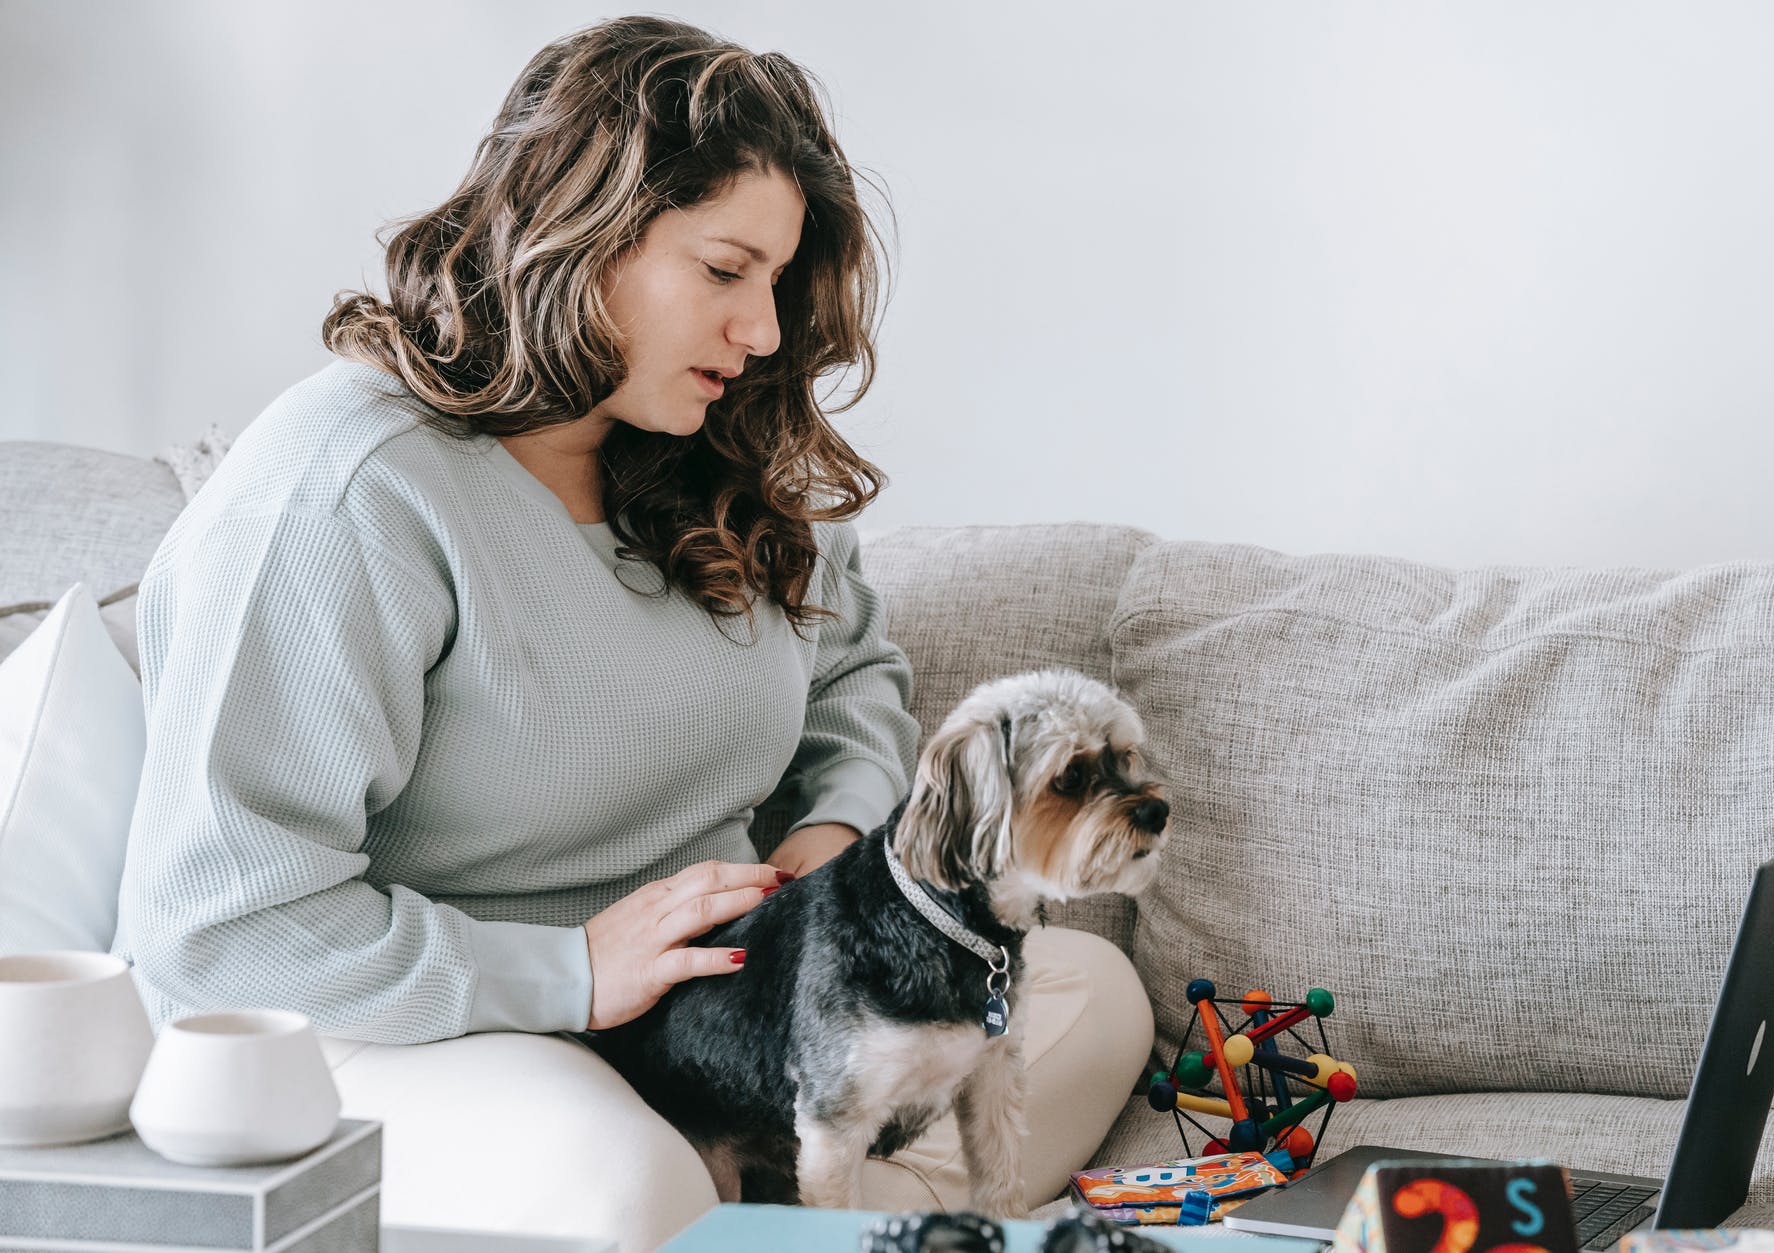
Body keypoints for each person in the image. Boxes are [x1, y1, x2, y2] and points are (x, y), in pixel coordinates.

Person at [111, 16, 1151, 1251]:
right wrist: (570, 974)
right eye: (723, 272)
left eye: (775, 283)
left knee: (1085, 995)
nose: (762, 332)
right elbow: (221, 927)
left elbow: (854, 675)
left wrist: (831, 846)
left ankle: (807, 1210)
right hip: (434, 1024)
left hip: (733, 993)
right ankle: (783, 1206)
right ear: (575, 235)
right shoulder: (343, 494)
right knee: (631, 1190)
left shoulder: (718, 443)